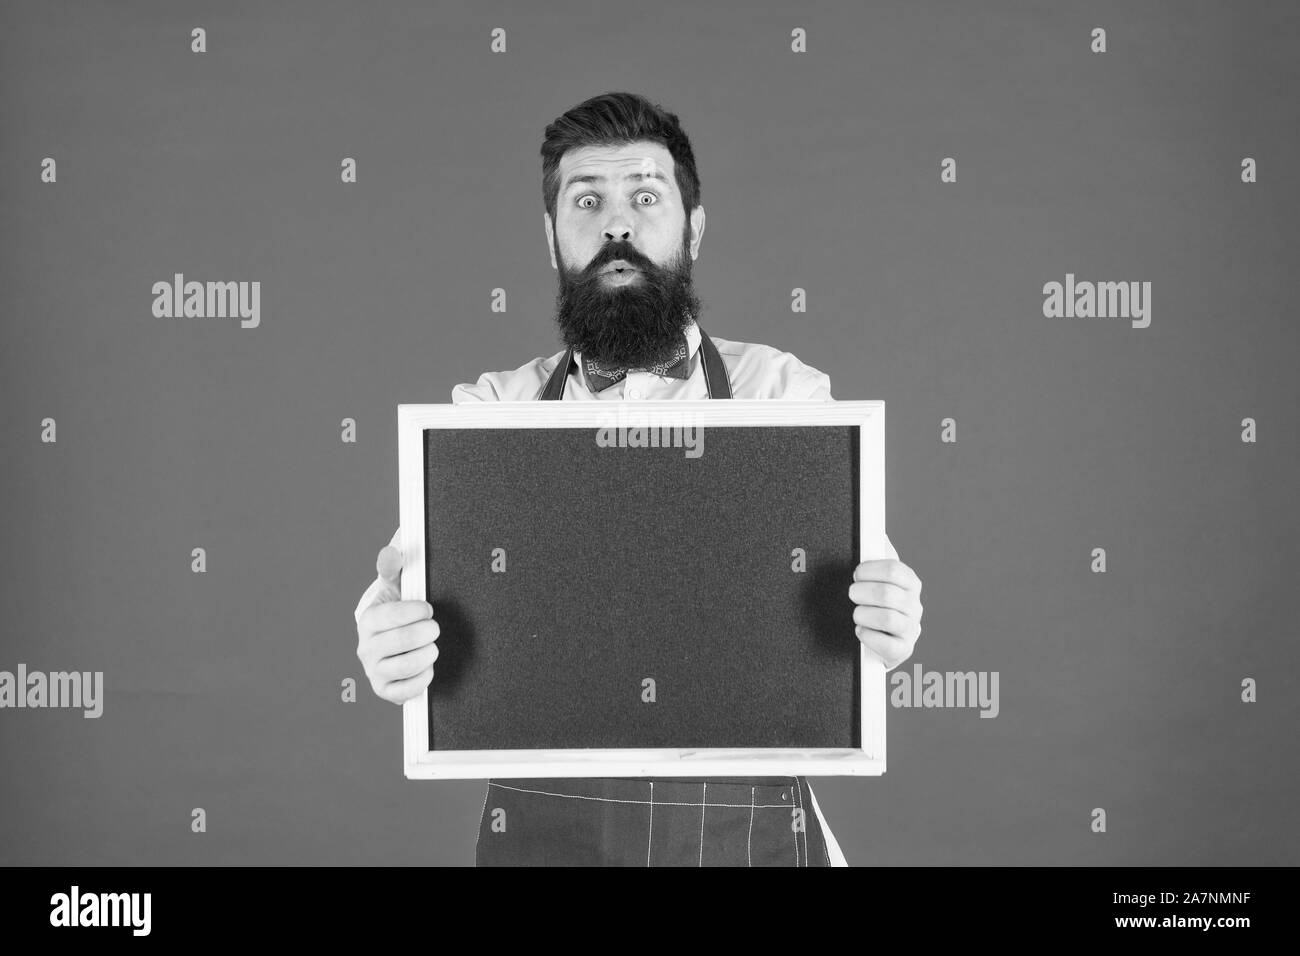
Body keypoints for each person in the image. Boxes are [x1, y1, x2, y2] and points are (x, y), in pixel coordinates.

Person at [354, 91, 924, 866]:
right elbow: (406, 583)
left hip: (750, 827)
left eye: (644, 197)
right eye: (587, 200)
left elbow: (864, 606)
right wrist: (386, 634)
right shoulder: (488, 411)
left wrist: (891, 618)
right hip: (542, 825)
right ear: (551, 237)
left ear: (692, 227)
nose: (616, 224)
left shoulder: (788, 396)